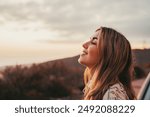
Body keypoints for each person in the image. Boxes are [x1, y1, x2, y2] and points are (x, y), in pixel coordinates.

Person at [78, 26, 136, 100]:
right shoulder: (99, 89)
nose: (84, 44)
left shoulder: (112, 96)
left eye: (94, 42)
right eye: (89, 40)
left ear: (109, 54)